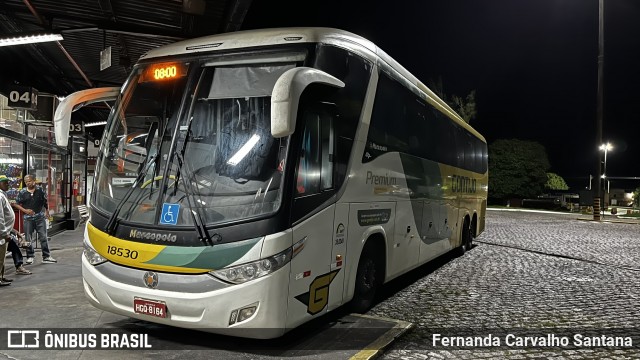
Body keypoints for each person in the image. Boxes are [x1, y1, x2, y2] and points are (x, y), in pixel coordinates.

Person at [14, 175, 56, 264]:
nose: (28, 183)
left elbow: (45, 201)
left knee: (43, 237)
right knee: (28, 237)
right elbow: (16, 203)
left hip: (40, 217)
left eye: (29, 181)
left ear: (34, 181)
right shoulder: (22, 192)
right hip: (27, 218)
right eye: (26, 182)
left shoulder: (40, 190)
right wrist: (25, 210)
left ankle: (46, 256)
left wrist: (47, 211)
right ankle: (30, 256)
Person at [0, 175, 16, 286]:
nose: (7, 184)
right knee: (0, 257)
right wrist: (4, 233)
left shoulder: (2, 195)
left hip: (4, 233)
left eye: (7, 182)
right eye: (4, 182)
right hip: (1, 234)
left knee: (2, 257)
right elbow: (0, 217)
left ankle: (1, 276)